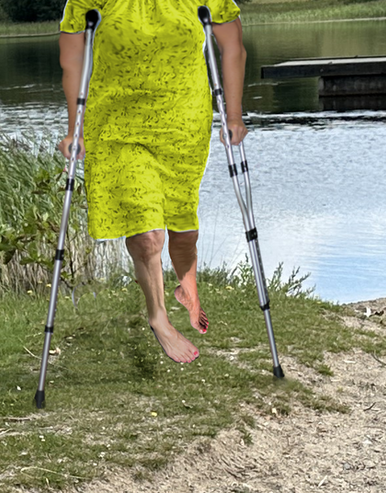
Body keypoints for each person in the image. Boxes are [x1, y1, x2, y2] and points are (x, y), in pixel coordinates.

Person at [58, 0, 248, 364]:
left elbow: (233, 46)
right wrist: (73, 128)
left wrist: (234, 114)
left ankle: (187, 286)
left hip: (183, 123)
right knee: (147, 233)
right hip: (116, 124)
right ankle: (158, 317)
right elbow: (72, 57)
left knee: (183, 229)